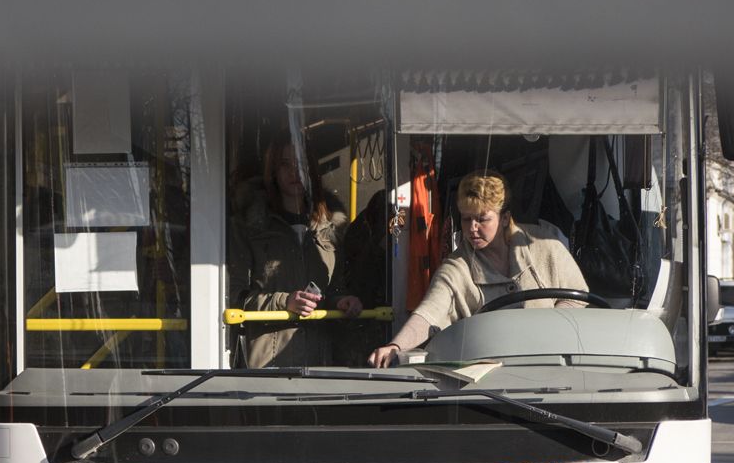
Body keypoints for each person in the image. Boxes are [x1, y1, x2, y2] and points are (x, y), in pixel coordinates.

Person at [369, 169, 589, 368]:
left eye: (482, 219)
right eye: (466, 219)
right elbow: (429, 314)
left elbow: (577, 297)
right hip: (492, 379)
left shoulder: (543, 245)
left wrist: (549, 331)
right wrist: (395, 346)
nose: (472, 228)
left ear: (505, 218)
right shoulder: (456, 268)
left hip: (553, 367)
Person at [227, 132, 362, 368]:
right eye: (284, 164)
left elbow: (334, 289)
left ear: (312, 170)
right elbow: (236, 297)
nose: (294, 171)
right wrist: (283, 302)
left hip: (319, 360)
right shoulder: (249, 226)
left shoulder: (333, 227)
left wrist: (343, 301)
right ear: (273, 171)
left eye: (301, 163)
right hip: (267, 363)